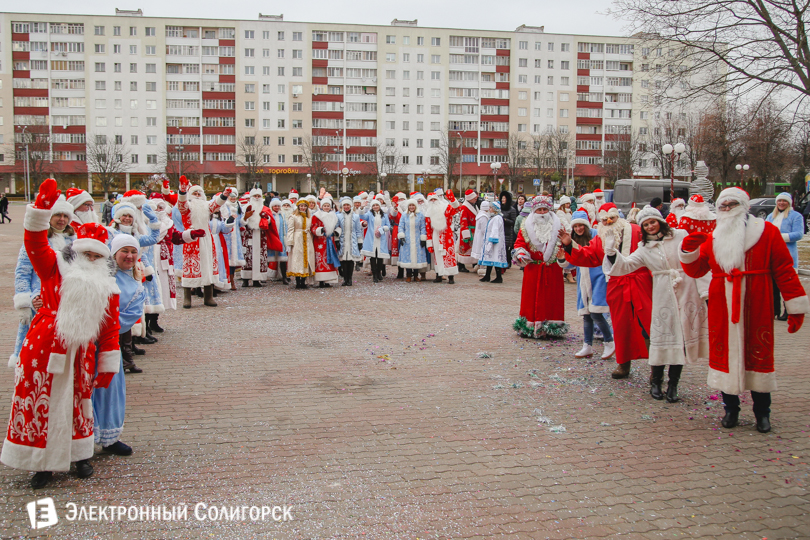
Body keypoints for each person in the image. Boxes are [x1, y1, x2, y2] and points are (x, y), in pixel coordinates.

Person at [2, 179, 120, 489]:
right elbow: (34, 245)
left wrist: (108, 364)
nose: (91, 259)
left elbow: (110, 328)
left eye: (97, 256)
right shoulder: (53, 266)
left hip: (81, 352)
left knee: (79, 403)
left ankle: (79, 455)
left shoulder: (108, 286)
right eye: (86, 254)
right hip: (44, 345)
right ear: (75, 252)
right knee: (40, 401)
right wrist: (40, 210)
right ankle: (40, 463)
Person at [679, 187, 809, 433]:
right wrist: (688, 251)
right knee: (725, 356)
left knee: (758, 355)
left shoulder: (767, 232)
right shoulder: (714, 236)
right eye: (723, 205)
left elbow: (784, 269)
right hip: (722, 304)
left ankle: (762, 413)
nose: (727, 209)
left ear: (744, 206)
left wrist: (795, 307)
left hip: (756, 301)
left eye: (732, 204)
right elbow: (697, 270)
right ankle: (731, 409)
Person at [604, 207, 709, 402]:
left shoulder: (680, 235)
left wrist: (704, 290)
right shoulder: (644, 248)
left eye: (652, 222)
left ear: (660, 221)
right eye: (645, 225)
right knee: (661, 337)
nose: (650, 226)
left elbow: (697, 257)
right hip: (663, 293)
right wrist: (611, 252)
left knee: (681, 339)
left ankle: (673, 385)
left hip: (685, 290)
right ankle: (656, 382)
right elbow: (626, 265)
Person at [561, 202, 653, 379]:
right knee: (621, 325)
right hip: (617, 285)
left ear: (618, 217)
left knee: (647, 324)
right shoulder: (601, 236)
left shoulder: (636, 231)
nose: (608, 222)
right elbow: (589, 255)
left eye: (612, 218)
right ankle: (624, 363)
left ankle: (655, 367)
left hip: (640, 283)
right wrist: (569, 244)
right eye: (604, 220)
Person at [92, 233, 146, 458]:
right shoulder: (96, 275)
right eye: (125, 251)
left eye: (133, 252)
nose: (129, 256)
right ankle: (81, 439)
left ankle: (109, 438)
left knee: (110, 391)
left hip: (108, 344)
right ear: (114, 253)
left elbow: (128, 318)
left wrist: (102, 329)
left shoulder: (136, 286)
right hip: (85, 345)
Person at [10, 196, 75, 367]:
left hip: (65, 300)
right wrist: (25, 301)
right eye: (58, 215)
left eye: (65, 216)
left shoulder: (74, 240)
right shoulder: (38, 241)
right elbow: (23, 272)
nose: (62, 219)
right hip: (39, 302)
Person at [512, 196, 568, 338]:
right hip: (533, 269)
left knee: (552, 300)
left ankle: (552, 327)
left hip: (553, 270)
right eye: (539, 210)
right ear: (534, 211)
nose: (542, 213)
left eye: (545, 210)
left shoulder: (559, 226)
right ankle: (529, 326)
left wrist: (565, 251)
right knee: (530, 299)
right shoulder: (525, 226)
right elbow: (519, 243)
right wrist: (521, 254)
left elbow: (565, 244)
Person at [565, 210, 615, 360]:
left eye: (581, 225)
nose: (578, 229)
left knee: (596, 312)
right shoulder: (572, 238)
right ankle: (587, 345)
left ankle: (609, 341)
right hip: (583, 279)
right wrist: (562, 258)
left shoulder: (596, 235)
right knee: (586, 314)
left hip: (597, 276)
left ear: (586, 226)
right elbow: (571, 263)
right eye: (575, 226)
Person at [176, 176, 233, 307]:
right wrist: (183, 191)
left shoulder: (206, 206)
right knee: (190, 267)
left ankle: (208, 296)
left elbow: (216, 204)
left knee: (208, 266)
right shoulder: (188, 206)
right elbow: (181, 204)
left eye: (199, 193)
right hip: (191, 239)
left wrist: (224, 195)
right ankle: (187, 298)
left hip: (206, 239)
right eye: (194, 193)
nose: (197, 196)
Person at [766, 192, 805, 321]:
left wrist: (779, 237)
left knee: (786, 285)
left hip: (787, 255)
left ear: (789, 203)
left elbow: (799, 234)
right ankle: (774, 310)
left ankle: (789, 311)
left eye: (784, 201)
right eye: (779, 201)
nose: (781, 203)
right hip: (772, 255)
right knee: (773, 286)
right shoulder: (771, 216)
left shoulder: (796, 216)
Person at [240, 188, 282, 287]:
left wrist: (266, 218)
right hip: (249, 235)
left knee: (260, 258)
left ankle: (257, 279)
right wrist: (245, 217)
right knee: (248, 258)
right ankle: (245, 279)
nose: (257, 198)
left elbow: (271, 222)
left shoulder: (265, 208)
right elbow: (240, 223)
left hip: (261, 235)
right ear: (251, 197)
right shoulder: (245, 208)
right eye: (255, 196)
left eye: (259, 196)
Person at [424, 190, 461, 283]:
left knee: (449, 254)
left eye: (434, 199)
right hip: (435, 235)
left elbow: (457, 209)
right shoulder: (428, 213)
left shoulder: (446, 207)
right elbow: (428, 229)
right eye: (431, 200)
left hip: (447, 233)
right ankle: (439, 275)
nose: (433, 201)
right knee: (437, 255)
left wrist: (452, 199)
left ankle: (451, 276)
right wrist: (429, 243)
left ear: (438, 199)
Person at [311, 197, 341, 287]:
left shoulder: (334, 216)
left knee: (330, 259)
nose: (326, 207)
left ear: (330, 207)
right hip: (320, 241)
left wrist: (337, 232)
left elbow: (338, 226)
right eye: (325, 206)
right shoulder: (317, 216)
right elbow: (313, 227)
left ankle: (328, 280)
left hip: (331, 240)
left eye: (328, 206)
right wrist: (320, 230)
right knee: (320, 259)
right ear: (321, 206)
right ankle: (321, 281)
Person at [286, 199, 316, 289]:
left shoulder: (309, 217)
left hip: (307, 239)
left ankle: (303, 281)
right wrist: (289, 242)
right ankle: (298, 281)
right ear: (298, 207)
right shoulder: (293, 216)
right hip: (297, 239)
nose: (303, 208)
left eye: (305, 206)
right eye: (301, 206)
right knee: (297, 259)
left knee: (306, 259)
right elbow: (290, 230)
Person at [397, 198, 428, 281]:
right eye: (410, 205)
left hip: (417, 239)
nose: (411, 207)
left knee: (417, 257)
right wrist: (401, 236)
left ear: (415, 206)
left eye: (413, 205)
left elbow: (423, 227)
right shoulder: (404, 215)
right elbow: (401, 226)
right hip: (407, 239)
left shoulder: (420, 215)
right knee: (408, 257)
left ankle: (416, 275)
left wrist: (423, 238)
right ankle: (408, 275)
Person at [361, 199, 391, 283]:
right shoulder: (369, 214)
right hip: (371, 238)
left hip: (381, 238)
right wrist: (362, 208)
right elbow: (362, 216)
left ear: (379, 206)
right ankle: (374, 274)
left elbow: (388, 225)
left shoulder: (384, 215)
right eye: (373, 205)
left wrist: (382, 229)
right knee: (373, 256)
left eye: (377, 205)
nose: (375, 207)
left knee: (380, 257)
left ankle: (378, 272)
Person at [479, 201, 508, 283]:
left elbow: (495, 230)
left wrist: (492, 240)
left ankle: (499, 277)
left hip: (495, 243)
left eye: (491, 208)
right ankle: (487, 275)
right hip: (492, 241)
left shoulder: (497, 218)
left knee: (495, 258)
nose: (489, 209)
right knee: (490, 258)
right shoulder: (493, 217)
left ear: (495, 209)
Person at [336, 196, 362, 286]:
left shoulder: (356, 216)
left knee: (351, 260)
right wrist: (337, 240)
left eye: (348, 205)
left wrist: (359, 241)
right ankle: (345, 279)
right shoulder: (339, 216)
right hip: (343, 240)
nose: (346, 207)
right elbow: (337, 228)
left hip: (352, 240)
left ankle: (350, 279)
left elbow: (358, 230)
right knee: (343, 260)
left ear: (351, 206)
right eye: (345, 205)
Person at [267, 198, 290, 284]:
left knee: (282, 259)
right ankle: (265, 276)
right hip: (272, 238)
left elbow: (285, 227)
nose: (276, 207)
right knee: (269, 257)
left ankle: (284, 277)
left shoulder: (282, 215)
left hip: (281, 238)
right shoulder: (269, 215)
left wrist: (286, 238)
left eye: (278, 206)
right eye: (275, 206)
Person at [456, 189, 479, 272]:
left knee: (473, 248)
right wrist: (466, 233)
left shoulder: (474, 205)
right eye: (474, 197)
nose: (476, 198)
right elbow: (463, 220)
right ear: (470, 198)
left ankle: (474, 263)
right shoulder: (464, 207)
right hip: (467, 230)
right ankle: (461, 265)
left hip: (474, 230)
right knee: (465, 249)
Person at [499, 191, 517, 268]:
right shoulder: (499, 208)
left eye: (504, 198)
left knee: (506, 249)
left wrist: (505, 220)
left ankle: (508, 262)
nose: (503, 200)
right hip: (500, 231)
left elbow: (513, 222)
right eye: (502, 198)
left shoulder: (512, 210)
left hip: (507, 232)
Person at [471, 200, 491, 267]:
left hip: (479, 236)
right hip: (481, 237)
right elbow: (484, 229)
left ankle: (479, 265)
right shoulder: (483, 216)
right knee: (481, 251)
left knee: (480, 251)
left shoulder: (480, 214)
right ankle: (482, 267)